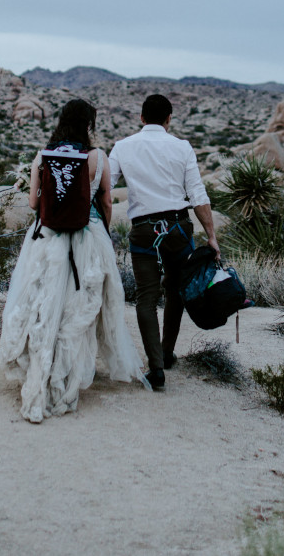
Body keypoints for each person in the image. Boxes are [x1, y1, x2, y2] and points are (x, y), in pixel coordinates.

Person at [0, 99, 146, 422]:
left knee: (42, 303)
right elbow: (106, 201)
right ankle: (66, 378)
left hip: (47, 239)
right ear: (87, 125)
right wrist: (102, 232)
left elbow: (33, 203)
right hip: (87, 236)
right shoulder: (97, 158)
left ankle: (38, 372)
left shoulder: (43, 155)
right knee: (77, 310)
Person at [109, 93, 219, 391]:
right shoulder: (181, 147)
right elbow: (197, 194)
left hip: (144, 229)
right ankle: (167, 352)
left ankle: (156, 368)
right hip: (178, 229)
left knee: (145, 296)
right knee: (175, 290)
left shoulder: (122, 147)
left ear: (141, 118)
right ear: (169, 119)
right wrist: (211, 235)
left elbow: (104, 188)